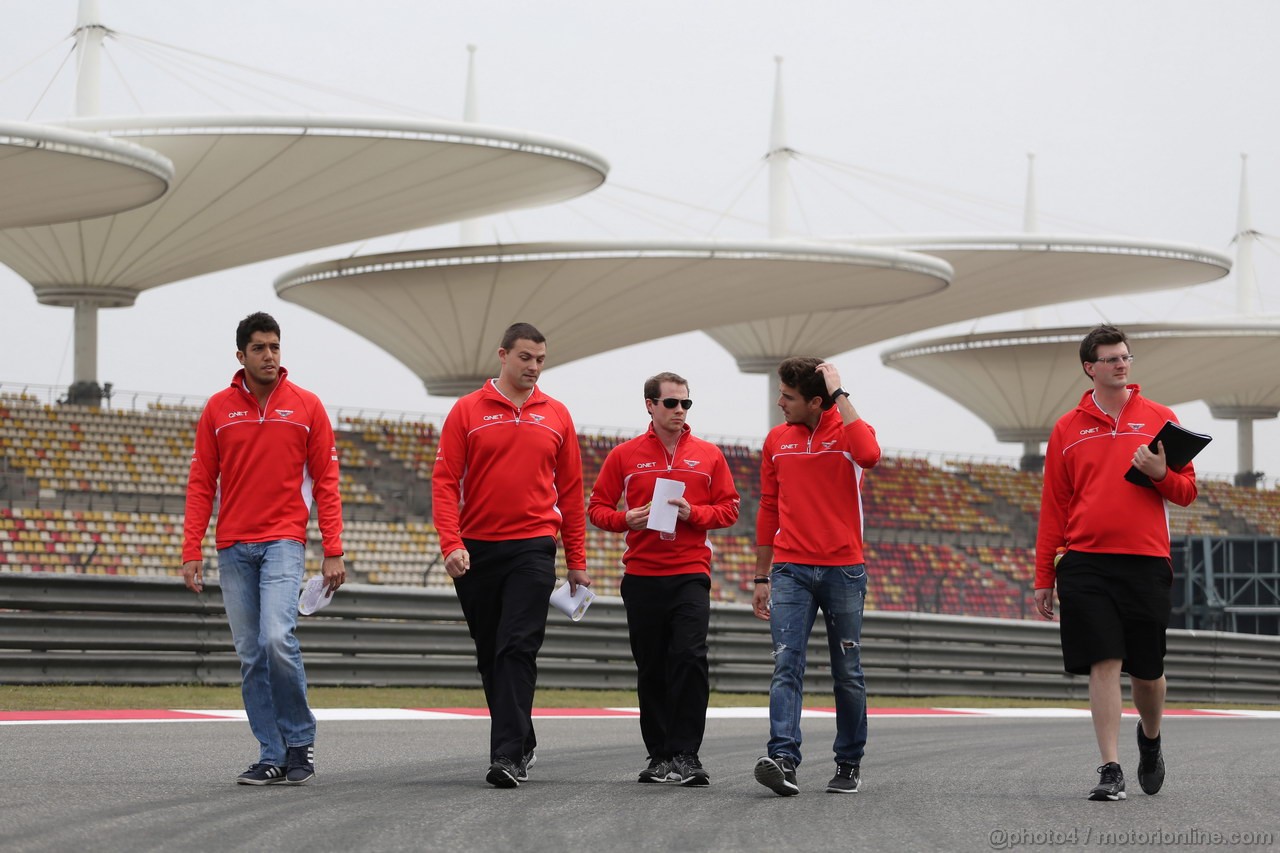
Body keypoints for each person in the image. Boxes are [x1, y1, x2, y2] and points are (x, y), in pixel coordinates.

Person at [181, 311, 345, 786]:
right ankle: (271, 752)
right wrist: (191, 549)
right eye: (260, 348)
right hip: (232, 546)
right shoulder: (216, 409)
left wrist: (333, 547)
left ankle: (299, 739)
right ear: (241, 355)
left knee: (276, 638)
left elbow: (328, 482)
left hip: (283, 540)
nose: (270, 356)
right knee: (251, 654)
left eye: (275, 347)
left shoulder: (308, 406)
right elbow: (200, 484)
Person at [1035, 324, 1195, 802]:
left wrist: (1161, 473)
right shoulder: (1066, 427)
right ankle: (1110, 768)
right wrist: (1045, 575)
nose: (1121, 363)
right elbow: (1053, 507)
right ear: (1090, 367)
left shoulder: (1160, 418)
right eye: (1110, 358)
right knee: (1104, 661)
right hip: (1085, 562)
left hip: (1146, 561)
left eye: (1125, 356)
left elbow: (1187, 492)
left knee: (1147, 671)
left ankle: (1150, 739)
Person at [432, 321, 590, 789]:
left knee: (516, 646)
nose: (534, 368)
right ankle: (522, 735)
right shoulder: (466, 411)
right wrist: (451, 543)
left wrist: (576, 561)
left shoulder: (557, 415)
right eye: (525, 358)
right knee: (490, 654)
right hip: (477, 550)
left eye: (540, 360)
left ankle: (506, 756)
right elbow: (443, 483)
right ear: (503, 355)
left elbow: (573, 491)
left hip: (534, 547)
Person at [588, 372, 740, 787]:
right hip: (641, 575)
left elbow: (729, 509)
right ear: (650, 405)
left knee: (690, 658)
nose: (679, 411)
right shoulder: (624, 455)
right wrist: (625, 520)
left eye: (685, 404)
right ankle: (659, 756)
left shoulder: (709, 455)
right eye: (671, 403)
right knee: (651, 666)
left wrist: (697, 514)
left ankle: (687, 754)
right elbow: (597, 508)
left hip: (691, 572)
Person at [751, 357, 880, 797]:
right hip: (789, 569)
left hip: (844, 569)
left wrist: (840, 392)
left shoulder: (848, 432)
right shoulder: (775, 439)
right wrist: (760, 576)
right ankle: (783, 758)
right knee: (787, 664)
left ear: (815, 401)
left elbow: (870, 455)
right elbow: (768, 507)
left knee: (847, 670)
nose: (779, 402)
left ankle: (848, 763)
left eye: (788, 396)